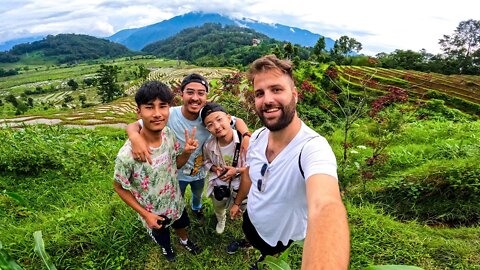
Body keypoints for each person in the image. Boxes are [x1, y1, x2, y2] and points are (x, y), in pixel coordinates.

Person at [230, 55, 350, 270]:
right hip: (253, 220)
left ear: (294, 95)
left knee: (269, 256)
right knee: (253, 238)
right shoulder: (256, 137)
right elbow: (249, 174)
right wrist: (238, 203)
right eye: (260, 93)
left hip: (281, 235)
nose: (267, 100)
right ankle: (251, 246)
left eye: (276, 90)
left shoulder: (312, 148)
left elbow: (325, 205)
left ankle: (263, 262)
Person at [126, 73, 250, 224]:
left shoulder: (209, 117)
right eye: (190, 92)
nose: (195, 98)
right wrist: (134, 137)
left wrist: (246, 135)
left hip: (201, 172)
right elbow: (134, 125)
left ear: (206, 96)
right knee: (177, 195)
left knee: (197, 193)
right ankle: (179, 214)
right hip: (176, 171)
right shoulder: (169, 114)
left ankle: (196, 208)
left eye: (201, 93)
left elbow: (238, 121)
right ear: (182, 94)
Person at [113, 81, 201, 262]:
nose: (157, 114)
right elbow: (119, 187)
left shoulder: (168, 134)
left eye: (163, 106)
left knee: (182, 224)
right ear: (138, 112)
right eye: (149, 107)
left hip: (175, 200)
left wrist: (186, 152)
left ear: (169, 108)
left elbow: (175, 164)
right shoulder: (127, 155)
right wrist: (145, 215)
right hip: (152, 211)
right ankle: (167, 249)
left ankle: (184, 240)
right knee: (162, 236)